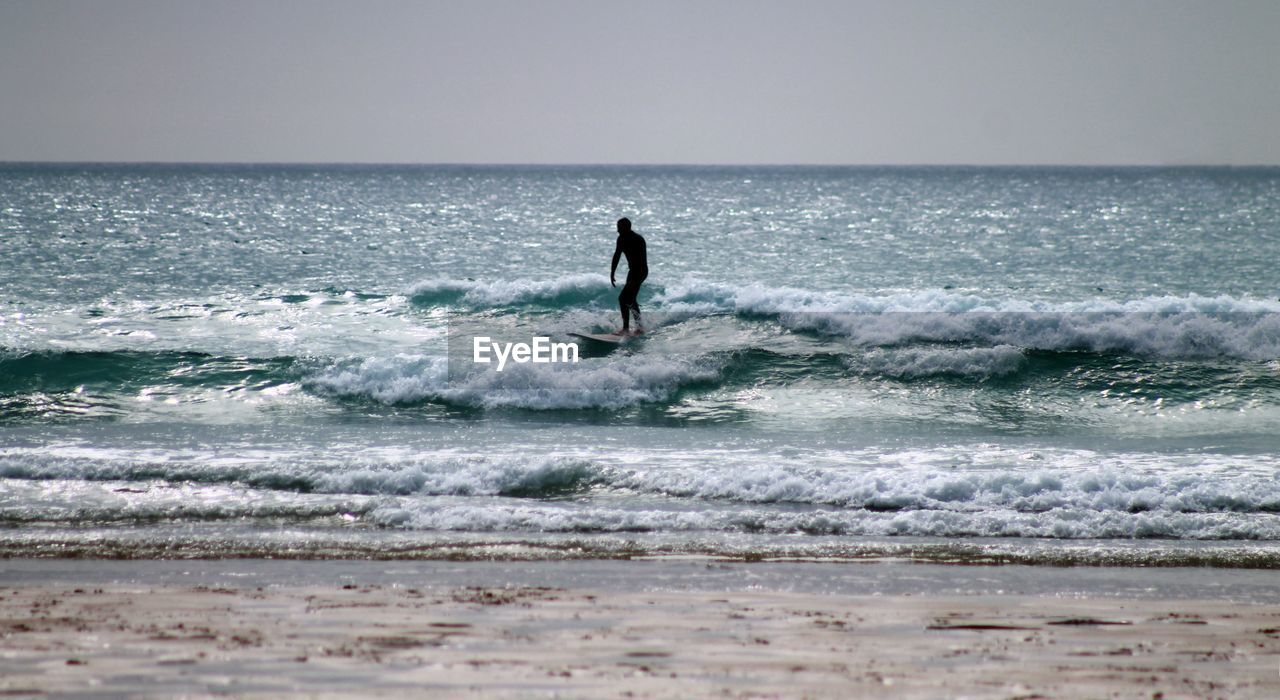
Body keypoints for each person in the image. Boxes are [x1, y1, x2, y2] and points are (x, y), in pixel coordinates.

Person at [610, 217, 648, 335]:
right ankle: (640, 327)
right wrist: (612, 272)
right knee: (631, 299)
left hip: (640, 271)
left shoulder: (638, 239)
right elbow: (617, 255)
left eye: (619, 228)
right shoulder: (621, 239)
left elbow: (641, 260)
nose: (617, 230)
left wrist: (634, 280)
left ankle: (626, 329)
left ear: (627, 227)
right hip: (632, 272)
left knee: (623, 299)